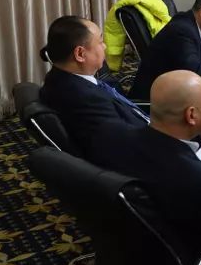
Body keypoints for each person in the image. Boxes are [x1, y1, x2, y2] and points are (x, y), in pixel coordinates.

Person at [91, 70, 201, 257]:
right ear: (191, 115)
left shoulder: (116, 135)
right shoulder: (200, 177)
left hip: (130, 244)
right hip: (192, 251)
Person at [38, 16, 148, 159]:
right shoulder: (84, 98)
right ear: (80, 54)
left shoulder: (61, 78)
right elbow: (124, 146)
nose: (105, 47)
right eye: (101, 42)